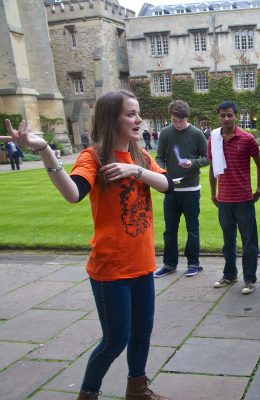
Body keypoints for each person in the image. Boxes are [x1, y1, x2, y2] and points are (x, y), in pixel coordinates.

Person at [4, 90, 172, 400]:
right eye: (130, 114)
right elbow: (73, 193)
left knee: (142, 333)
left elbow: (167, 184)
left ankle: (137, 389)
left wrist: (134, 170)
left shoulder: (139, 155)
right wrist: (45, 151)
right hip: (111, 268)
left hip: (142, 263)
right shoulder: (92, 156)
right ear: (111, 118)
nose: (138, 120)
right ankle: (88, 394)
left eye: (138, 113)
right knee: (115, 340)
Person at [209, 101, 260, 294]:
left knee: (249, 241)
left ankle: (249, 279)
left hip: (243, 199)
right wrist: (213, 192)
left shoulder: (247, 139)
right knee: (228, 241)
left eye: (229, 115)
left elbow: (259, 164)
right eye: (222, 115)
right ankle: (229, 274)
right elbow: (212, 168)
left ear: (236, 116)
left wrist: (258, 188)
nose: (226, 119)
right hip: (224, 199)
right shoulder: (214, 139)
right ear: (218, 117)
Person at [154, 100, 209, 278]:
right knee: (170, 229)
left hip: (191, 189)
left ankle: (193, 263)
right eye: (174, 121)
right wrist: (163, 173)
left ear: (187, 118)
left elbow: (208, 158)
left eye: (180, 121)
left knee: (192, 228)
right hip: (171, 189)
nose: (177, 124)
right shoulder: (165, 133)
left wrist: (192, 163)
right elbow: (160, 157)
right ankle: (169, 264)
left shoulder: (196, 133)